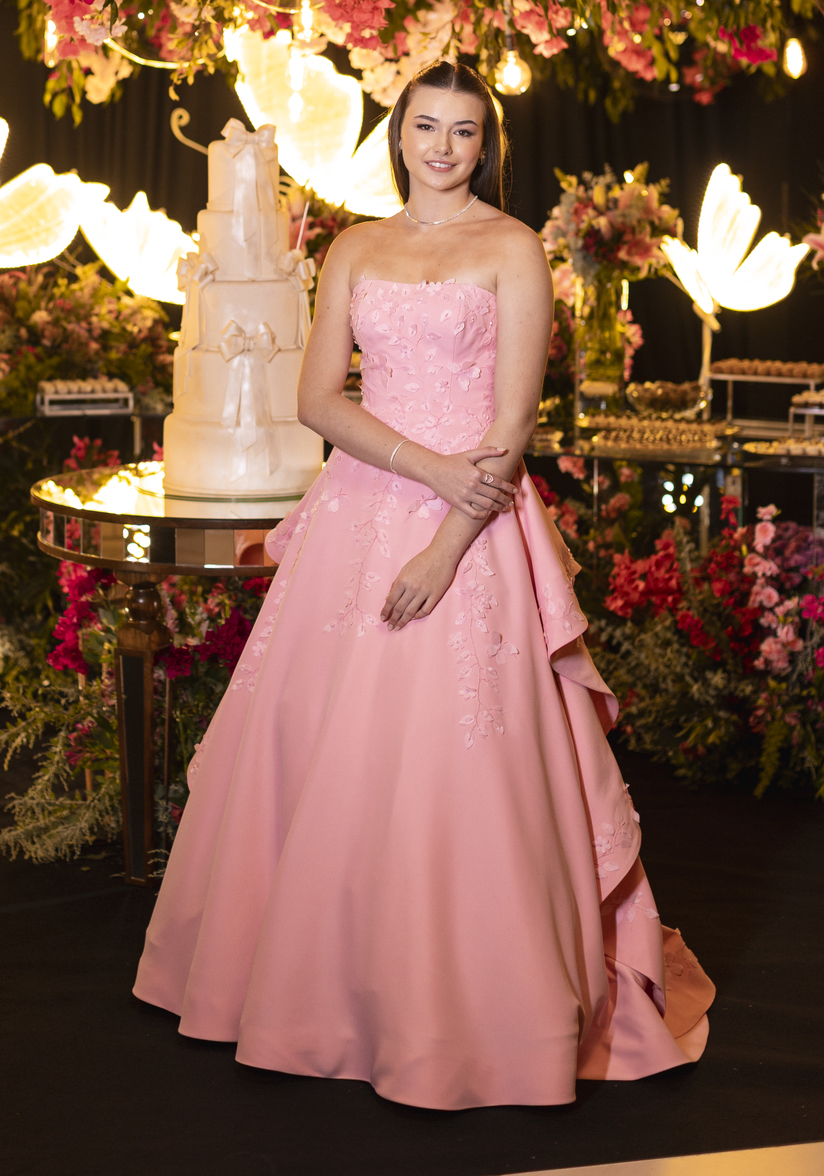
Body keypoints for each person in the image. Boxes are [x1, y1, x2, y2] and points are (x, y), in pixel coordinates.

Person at [134, 59, 714, 1110]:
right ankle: (320, 996)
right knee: (327, 752)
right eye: (426, 126)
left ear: (485, 144)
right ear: (398, 135)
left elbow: (513, 423)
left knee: (461, 765)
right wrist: (426, 467)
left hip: (471, 528)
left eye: (464, 130)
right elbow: (316, 399)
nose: (443, 146)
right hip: (361, 514)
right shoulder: (355, 246)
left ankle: (467, 1012)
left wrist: (448, 542)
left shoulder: (512, 247)